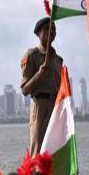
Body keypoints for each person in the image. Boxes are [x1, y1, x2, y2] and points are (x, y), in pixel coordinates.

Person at [21, 18, 63, 154]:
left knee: (55, 151)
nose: (52, 32)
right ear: (39, 33)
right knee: (38, 150)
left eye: (54, 30)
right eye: (48, 29)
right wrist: (39, 74)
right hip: (40, 106)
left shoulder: (58, 59)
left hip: (55, 107)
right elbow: (24, 89)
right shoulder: (32, 55)